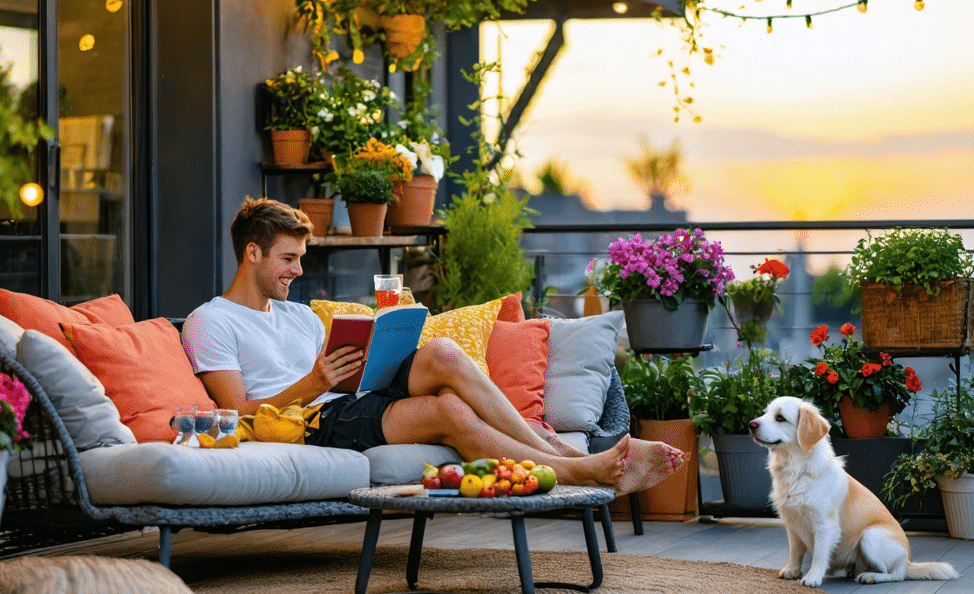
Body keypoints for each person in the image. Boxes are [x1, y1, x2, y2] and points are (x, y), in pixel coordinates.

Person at [181, 198, 685, 492]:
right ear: (252, 253)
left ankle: (555, 447)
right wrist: (319, 380)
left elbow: (346, 378)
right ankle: (574, 468)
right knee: (452, 413)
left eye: (300, 258)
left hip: (350, 400)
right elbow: (238, 413)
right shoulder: (213, 321)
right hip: (308, 422)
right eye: (289, 259)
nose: (298, 270)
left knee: (441, 351)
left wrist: (376, 353)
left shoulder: (299, 315)